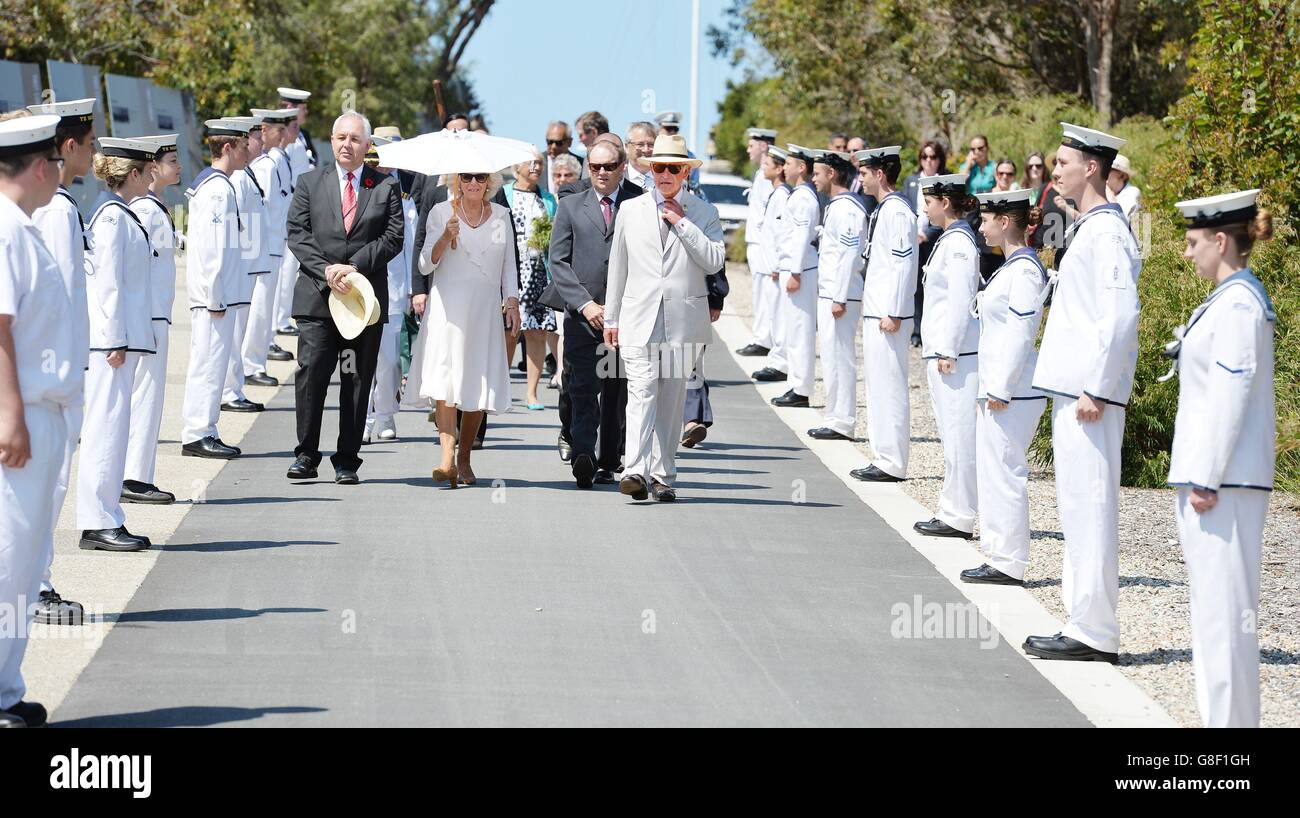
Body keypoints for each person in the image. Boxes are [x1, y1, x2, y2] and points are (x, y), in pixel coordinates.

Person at [1023, 122, 1141, 664]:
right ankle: (1081, 621)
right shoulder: (1089, 226)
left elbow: (1119, 318)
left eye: (1064, 162)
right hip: (1073, 390)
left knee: (1091, 505)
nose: (1057, 170)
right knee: (1075, 505)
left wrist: (1097, 386)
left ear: (1091, 167)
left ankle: (1094, 631)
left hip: (1088, 395)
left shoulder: (1109, 232)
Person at [1167, 189, 1275, 728]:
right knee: (1214, 620)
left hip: (1224, 485)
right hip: (1217, 482)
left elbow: (1232, 395)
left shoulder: (1237, 304)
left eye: (1192, 243)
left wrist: (1206, 478)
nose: (1187, 254)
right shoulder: (1228, 299)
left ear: (1219, 240)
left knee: (1225, 621)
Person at [0, 113, 79, 727]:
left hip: (39, 411)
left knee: (24, 560)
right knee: (7, 558)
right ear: (38, 165)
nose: (60, 171)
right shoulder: (4, 230)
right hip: (19, 415)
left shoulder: (20, 227)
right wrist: (9, 417)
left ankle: (5, 689)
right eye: (55, 160)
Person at [604, 133, 724, 502]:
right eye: (659, 167)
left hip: (683, 320)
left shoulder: (704, 212)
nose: (665, 174)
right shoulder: (631, 209)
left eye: (673, 168)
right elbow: (618, 267)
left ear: (685, 171)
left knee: (671, 401)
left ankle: (662, 474)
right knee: (641, 393)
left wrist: (682, 223)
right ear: (650, 169)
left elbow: (714, 261)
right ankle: (635, 470)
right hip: (639, 315)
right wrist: (612, 317)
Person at [284, 112, 402, 485]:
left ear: (368, 146)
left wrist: (351, 267)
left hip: (363, 301)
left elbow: (393, 238)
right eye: (340, 137)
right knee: (312, 376)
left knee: (355, 379)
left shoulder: (385, 187)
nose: (346, 144)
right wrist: (327, 271)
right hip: (318, 299)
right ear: (330, 142)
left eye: (354, 139)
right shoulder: (308, 183)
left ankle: (347, 459)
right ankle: (306, 455)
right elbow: (297, 233)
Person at [26, 99, 94, 625]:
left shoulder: (60, 206)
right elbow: (53, 301)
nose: (94, 154)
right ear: (66, 148)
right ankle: (37, 584)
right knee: (48, 486)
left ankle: (35, 581)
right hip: (48, 377)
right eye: (89, 145)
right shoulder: (55, 211)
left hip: (55, 371)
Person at [407, 171, 520, 488]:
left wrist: (512, 302)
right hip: (448, 309)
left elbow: (508, 264)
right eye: (467, 177)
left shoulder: (500, 216)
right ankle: (446, 458)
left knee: (477, 382)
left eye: (480, 178)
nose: (473, 183)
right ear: (457, 181)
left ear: (489, 183)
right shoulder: (441, 212)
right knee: (446, 379)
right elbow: (424, 264)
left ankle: (465, 457)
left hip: (484, 309)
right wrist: (444, 238)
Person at [960, 188, 1049, 585]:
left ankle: (1010, 560)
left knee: (1006, 470)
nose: (980, 226)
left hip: (1013, 391)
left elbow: (1021, 333)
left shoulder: (1026, 271)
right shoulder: (1011, 267)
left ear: (1006, 221)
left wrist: (1000, 387)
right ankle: (997, 554)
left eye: (986, 219)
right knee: (993, 471)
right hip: (999, 388)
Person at [78, 136, 160, 552]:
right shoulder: (112, 218)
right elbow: (106, 284)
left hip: (120, 340)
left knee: (115, 426)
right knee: (106, 429)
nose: (153, 178)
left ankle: (107, 515)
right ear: (133, 174)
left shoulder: (120, 214)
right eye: (148, 171)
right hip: (112, 343)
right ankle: (98, 521)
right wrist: (113, 340)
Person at [547, 140, 643, 487]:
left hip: (624, 316)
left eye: (608, 166)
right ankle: (584, 454)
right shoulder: (571, 206)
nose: (601, 173)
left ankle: (609, 459)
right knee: (583, 387)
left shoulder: (639, 202)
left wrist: (619, 308)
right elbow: (558, 261)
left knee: (617, 389)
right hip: (581, 315)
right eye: (595, 167)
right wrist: (584, 304)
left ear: (622, 166)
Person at [913, 173, 981, 538]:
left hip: (953, 353)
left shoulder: (958, 244)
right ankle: (952, 508)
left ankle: (959, 515)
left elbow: (959, 300)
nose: (925, 205)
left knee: (958, 435)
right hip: (943, 349)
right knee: (950, 433)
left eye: (930, 199)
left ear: (945, 202)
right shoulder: (950, 239)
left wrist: (950, 348)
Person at [180, 119, 249, 463]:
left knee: (211, 362)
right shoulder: (218, 189)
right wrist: (214, 295)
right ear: (227, 148)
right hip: (214, 296)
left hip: (216, 294)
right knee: (208, 363)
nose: (248, 150)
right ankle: (198, 432)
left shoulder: (219, 185)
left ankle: (205, 429)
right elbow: (212, 248)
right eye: (243, 144)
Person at [851, 145, 917, 483]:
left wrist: (894, 311)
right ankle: (882, 456)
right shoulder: (885, 209)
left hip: (887, 316)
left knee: (889, 385)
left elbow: (904, 265)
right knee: (877, 386)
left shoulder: (898, 212)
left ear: (880, 174)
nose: (859, 178)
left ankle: (892, 461)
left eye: (864, 173)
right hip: (876, 312)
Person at [123, 133, 181, 505]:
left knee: (149, 395)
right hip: (149, 315)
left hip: (156, 313)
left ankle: (138, 473)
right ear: (152, 168)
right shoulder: (145, 210)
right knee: (145, 396)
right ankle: (135, 477)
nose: (178, 167)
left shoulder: (154, 206)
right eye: (172, 161)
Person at [362, 132, 417, 444]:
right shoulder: (361, 184)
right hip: (364, 284)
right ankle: (365, 419)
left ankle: (385, 414)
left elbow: (409, 243)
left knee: (390, 358)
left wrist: (411, 289)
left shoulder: (405, 187)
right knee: (364, 357)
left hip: (395, 285)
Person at [806, 150, 865, 441]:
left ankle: (843, 421)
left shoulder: (848, 210)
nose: (813, 178)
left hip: (839, 296)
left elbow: (849, 254)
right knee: (830, 357)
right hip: (831, 293)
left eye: (817, 173)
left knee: (840, 358)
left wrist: (839, 297)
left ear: (831, 174)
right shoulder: (836, 206)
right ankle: (834, 416)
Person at [221, 115, 272, 415]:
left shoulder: (246, 174)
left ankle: (234, 387)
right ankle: (229, 391)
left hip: (250, 264)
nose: (259, 141)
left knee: (239, 330)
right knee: (235, 332)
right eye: (254, 137)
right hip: (241, 265)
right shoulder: (239, 178)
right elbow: (236, 225)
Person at [244, 107, 298, 386]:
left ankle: (256, 358)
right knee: (260, 309)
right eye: (278, 130)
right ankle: (251, 364)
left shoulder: (275, 161)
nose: (284, 135)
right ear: (265, 131)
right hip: (265, 249)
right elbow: (259, 213)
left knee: (265, 308)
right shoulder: (265, 166)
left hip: (275, 245)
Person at [504, 146, 559, 410]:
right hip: (512, 271)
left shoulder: (547, 199)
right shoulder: (504, 194)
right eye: (530, 163)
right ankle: (502, 387)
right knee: (509, 332)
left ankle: (532, 393)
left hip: (538, 272)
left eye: (539, 163)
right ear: (517, 167)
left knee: (536, 332)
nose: (536, 167)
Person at [768, 144, 820, 409]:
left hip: (801, 270)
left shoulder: (804, 198)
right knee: (793, 329)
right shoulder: (798, 195)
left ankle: (801, 389)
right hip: (792, 267)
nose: (784, 167)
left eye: (788, 163)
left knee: (800, 331)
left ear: (801, 167)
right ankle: (796, 383)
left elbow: (801, 237)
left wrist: (796, 272)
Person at [750, 147, 791, 385]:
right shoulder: (776, 194)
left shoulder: (783, 195)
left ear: (779, 169)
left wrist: (777, 265)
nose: (763, 168)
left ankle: (780, 363)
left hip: (775, 268)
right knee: (773, 315)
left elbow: (782, 236)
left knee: (779, 317)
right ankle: (776, 359)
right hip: (769, 267)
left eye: (768, 165)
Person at [735, 126, 777, 358]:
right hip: (756, 242)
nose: (748, 150)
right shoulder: (760, 174)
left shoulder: (766, 176)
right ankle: (762, 336)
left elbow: (765, 217)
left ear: (763, 146)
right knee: (759, 293)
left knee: (764, 294)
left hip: (762, 244)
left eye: (752, 145)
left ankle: (764, 339)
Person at [903, 140, 948, 348]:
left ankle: (933, 329)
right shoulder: (911, 181)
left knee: (933, 285)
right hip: (913, 241)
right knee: (915, 288)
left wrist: (927, 235)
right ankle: (916, 330)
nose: (928, 161)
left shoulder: (945, 181)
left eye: (933, 157)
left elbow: (947, 215)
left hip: (932, 241)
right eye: (925, 157)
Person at [653, 111, 701, 190]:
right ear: (658, 129)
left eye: (675, 128)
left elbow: (694, 185)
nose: (672, 132)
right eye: (668, 128)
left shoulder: (689, 156)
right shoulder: (651, 153)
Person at [544, 120, 584, 193]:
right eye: (549, 142)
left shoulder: (582, 164)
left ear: (569, 142)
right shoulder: (536, 163)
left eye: (558, 143)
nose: (553, 146)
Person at [624, 121, 657, 192]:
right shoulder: (617, 180)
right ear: (627, 147)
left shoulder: (669, 179)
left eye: (651, 144)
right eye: (640, 144)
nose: (646, 150)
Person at [1108, 153, 1141, 223]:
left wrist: (1110, 197)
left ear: (1122, 175)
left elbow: (1124, 220)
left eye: (1109, 170)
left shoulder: (1132, 192)